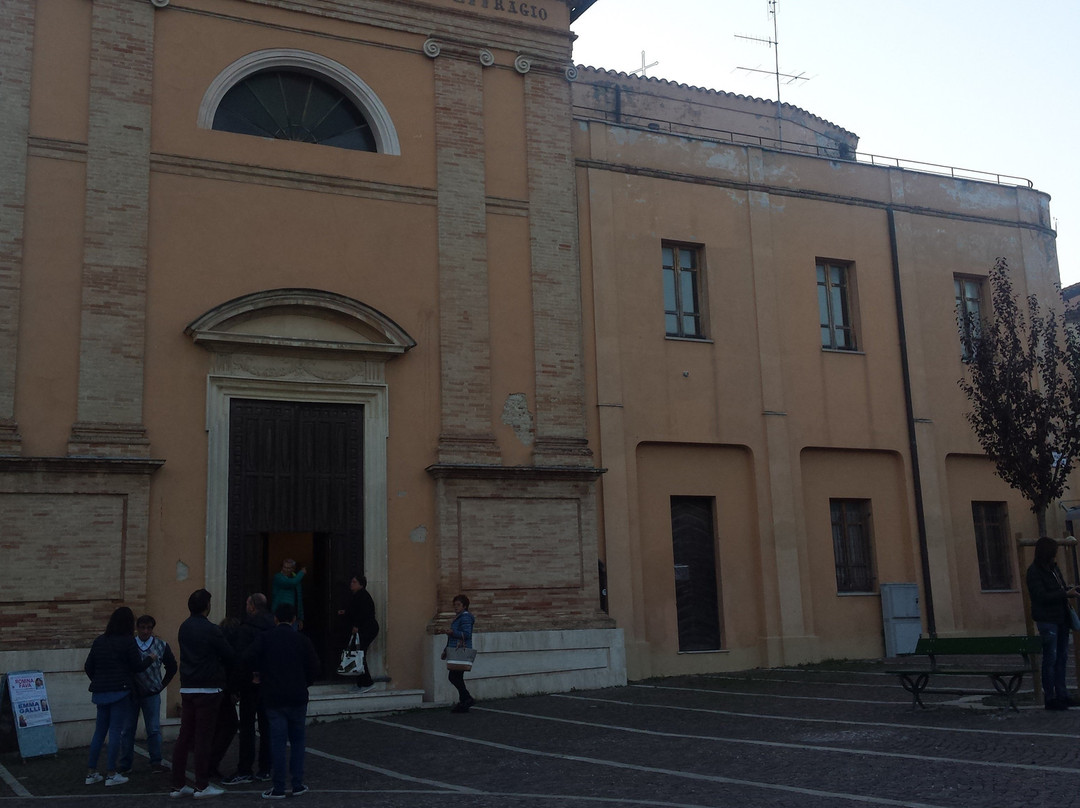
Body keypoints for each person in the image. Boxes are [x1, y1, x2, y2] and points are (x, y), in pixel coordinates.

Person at [245, 603, 320, 799]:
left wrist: (257, 674)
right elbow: (314, 667)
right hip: (297, 696)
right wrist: (305, 682)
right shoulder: (302, 640)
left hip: (274, 696)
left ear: (276, 619)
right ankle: (297, 783)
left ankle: (278, 786)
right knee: (298, 740)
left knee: (277, 742)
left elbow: (248, 656)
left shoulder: (266, 638)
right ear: (294, 619)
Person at [170, 588, 235, 799]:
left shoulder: (184, 627)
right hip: (208, 688)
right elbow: (228, 654)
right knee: (203, 738)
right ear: (207, 606)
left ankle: (178, 784)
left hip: (188, 686)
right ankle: (202, 784)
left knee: (184, 736)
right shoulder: (211, 629)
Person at [84, 606, 155, 787]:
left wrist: (99, 680)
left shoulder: (100, 641)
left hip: (101, 691)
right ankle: (111, 773)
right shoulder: (128, 641)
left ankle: (91, 772)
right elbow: (137, 667)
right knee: (116, 731)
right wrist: (151, 658)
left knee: (99, 731)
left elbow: (88, 666)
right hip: (121, 691)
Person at [221, 593, 274, 785]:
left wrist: (233, 687)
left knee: (247, 727)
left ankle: (245, 769)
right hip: (268, 683)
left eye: (247, 604)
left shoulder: (246, 629)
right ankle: (266, 768)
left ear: (252, 607)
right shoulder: (273, 627)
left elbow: (240, 659)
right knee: (267, 726)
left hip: (249, 685)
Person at [116, 614, 176, 775]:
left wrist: (161, 686)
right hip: (131, 693)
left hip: (151, 692)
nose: (145, 631)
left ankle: (156, 761)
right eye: (142, 627)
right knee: (128, 729)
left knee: (154, 728)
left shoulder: (162, 645)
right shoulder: (130, 645)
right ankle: (125, 763)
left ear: (152, 628)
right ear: (137, 628)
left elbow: (172, 667)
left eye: (148, 628)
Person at [1026, 536, 1080, 710]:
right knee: (1051, 658)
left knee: (1062, 658)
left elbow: (1058, 590)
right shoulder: (1034, 572)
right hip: (1047, 620)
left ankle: (1062, 694)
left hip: (1061, 618)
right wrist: (1064, 594)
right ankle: (1050, 697)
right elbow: (1040, 596)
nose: (1055, 556)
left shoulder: (1054, 570)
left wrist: (1068, 590)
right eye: (1053, 553)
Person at [337, 575, 379, 691]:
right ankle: (361, 683)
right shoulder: (357, 596)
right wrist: (345, 612)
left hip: (367, 629)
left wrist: (356, 626)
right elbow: (355, 610)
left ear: (361, 584)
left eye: (354, 582)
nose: (351, 584)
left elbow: (363, 613)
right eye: (352, 581)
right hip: (365, 628)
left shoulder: (363, 596)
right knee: (359, 654)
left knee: (360, 655)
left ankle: (367, 683)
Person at [443, 594, 475, 713]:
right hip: (456, 649)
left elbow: (467, 634)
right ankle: (464, 703)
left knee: (453, 677)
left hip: (461, 650)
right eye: (454, 605)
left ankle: (467, 698)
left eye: (458, 605)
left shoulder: (465, 617)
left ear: (464, 606)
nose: (455, 607)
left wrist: (453, 632)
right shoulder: (459, 617)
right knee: (457, 677)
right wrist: (445, 650)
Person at [271, 559, 306, 631]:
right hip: (280, 614)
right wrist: (301, 573)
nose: (286, 570)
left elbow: (299, 599)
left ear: (293, 569)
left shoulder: (296, 579)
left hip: (293, 615)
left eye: (289, 568)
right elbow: (290, 583)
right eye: (284, 567)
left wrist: (300, 618)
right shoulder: (278, 577)